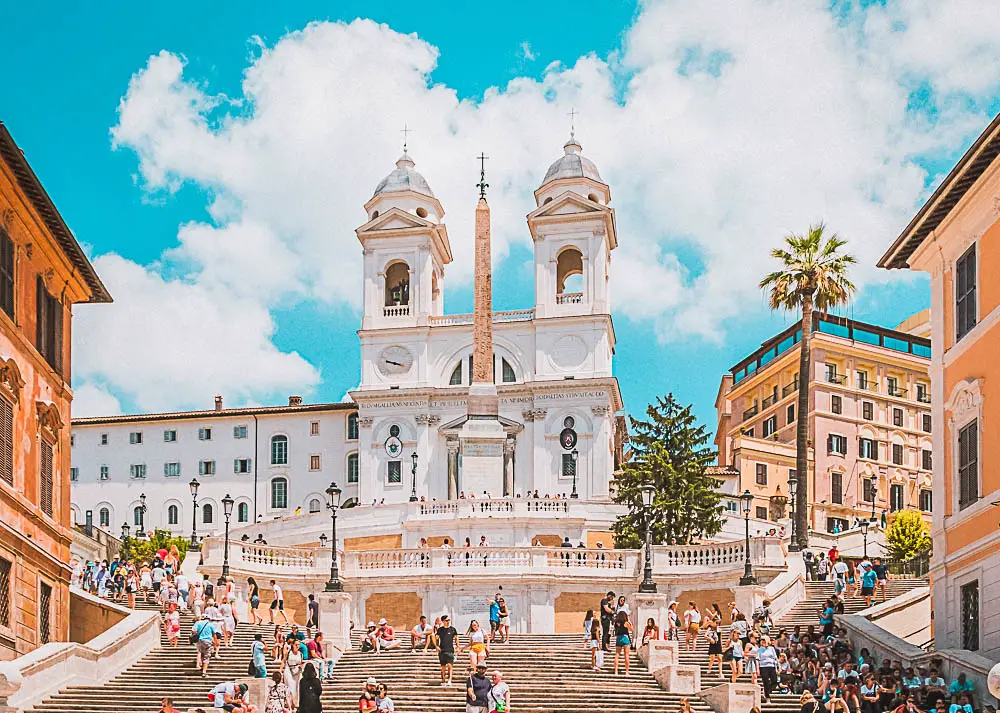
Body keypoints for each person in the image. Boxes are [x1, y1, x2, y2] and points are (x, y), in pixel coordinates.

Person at [437, 614, 459, 686]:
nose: (448, 621)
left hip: (450, 650)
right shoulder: (440, 630)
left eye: (449, 620)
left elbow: (456, 638)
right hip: (442, 650)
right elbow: (436, 638)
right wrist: (436, 646)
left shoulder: (453, 629)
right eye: (446, 620)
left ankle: (449, 680)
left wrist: (458, 646)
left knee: (450, 666)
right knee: (443, 667)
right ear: (443, 621)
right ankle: (443, 680)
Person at [758, 635, 779, 703]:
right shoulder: (760, 649)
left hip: (771, 666)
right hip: (763, 667)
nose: (763, 642)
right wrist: (757, 669)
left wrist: (777, 667)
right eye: (762, 640)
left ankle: (766, 691)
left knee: (774, 681)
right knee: (766, 682)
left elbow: (775, 658)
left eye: (764, 640)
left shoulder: (771, 648)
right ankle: (767, 697)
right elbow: (757, 659)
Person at [612, 610, 633, 675]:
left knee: (617, 654)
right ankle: (626, 671)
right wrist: (630, 622)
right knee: (626, 655)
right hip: (625, 637)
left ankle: (616, 671)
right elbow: (631, 629)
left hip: (618, 638)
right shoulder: (625, 622)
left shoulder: (616, 623)